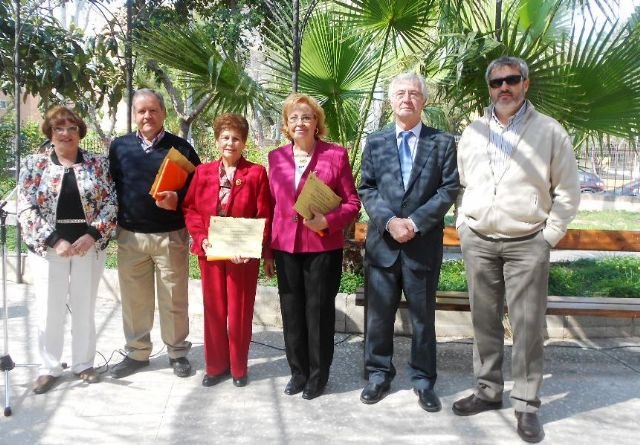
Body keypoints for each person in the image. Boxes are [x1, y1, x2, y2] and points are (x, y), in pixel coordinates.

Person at [453, 56, 580, 443]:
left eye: (511, 80)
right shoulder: (473, 131)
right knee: (484, 321)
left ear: (526, 83)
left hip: (528, 242)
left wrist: (548, 236)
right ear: (489, 88)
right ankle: (488, 391)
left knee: (526, 328)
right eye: (496, 83)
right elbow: (462, 183)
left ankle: (526, 404)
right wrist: (463, 225)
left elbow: (568, 191)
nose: (503, 88)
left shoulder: (549, 131)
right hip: (479, 240)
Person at [358, 72, 459, 412]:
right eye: (400, 93)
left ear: (423, 101)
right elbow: (367, 187)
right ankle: (377, 374)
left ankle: (423, 380)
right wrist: (389, 222)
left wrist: (414, 223)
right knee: (379, 318)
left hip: (422, 246)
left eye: (414, 93)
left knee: (422, 319)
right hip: (383, 247)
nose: (407, 98)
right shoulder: (375, 141)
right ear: (390, 100)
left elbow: (448, 188)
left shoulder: (442, 142)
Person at [17, 106, 117, 394]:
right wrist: (53, 240)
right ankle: (49, 367)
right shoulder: (34, 165)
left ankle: (84, 363)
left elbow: (112, 201)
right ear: (50, 132)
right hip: (50, 249)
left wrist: (93, 233)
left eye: (72, 128)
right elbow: (25, 206)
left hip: (88, 245)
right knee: (50, 307)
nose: (66, 133)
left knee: (85, 305)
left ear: (80, 132)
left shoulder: (98, 164)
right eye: (59, 128)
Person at [269, 93, 360, 400]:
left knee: (319, 312)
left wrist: (329, 221)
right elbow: (271, 206)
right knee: (291, 311)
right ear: (286, 124)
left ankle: (318, 376)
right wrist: (268, 250)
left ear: (317, 122)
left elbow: (352, 202)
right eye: (294, 117)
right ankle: (298, 372)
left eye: (306, 117)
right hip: (285, 246)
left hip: (322, 246)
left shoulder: (335, 155)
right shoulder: (275, 158)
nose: (300, 123)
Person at [109, 88, 201, 378]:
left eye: (153, 110)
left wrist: (179, 197)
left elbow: (198, 188)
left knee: (174, 298)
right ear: (134, 115)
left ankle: (177, 352)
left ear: (163, 113)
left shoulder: (181, 148)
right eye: (141, 111)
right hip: (131, 236)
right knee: (135, 300)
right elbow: (111, 185)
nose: (147, 116)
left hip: (170, 235)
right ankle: (137, 353)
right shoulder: (119, 146)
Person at [183, 113, 272, 387]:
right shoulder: (203, 172)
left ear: (244, 142)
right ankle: (215, 366)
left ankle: (238, 368)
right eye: (225, 137)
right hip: (210, 251)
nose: (230, 143)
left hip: (242, 256)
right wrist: (201, 238)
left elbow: (265, 214)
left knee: (240, 310)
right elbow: (191, 209)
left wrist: (253, 247)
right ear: (217, 140)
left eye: (236, 138)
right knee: (214, 309)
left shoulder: (255, 173)